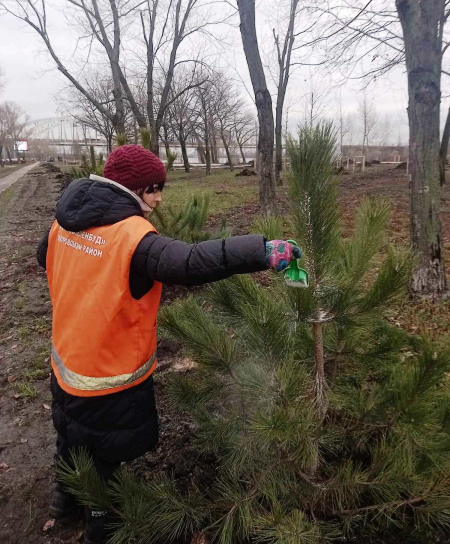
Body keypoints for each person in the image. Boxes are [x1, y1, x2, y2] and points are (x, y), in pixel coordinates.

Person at [36, 144, 300, 544]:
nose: (159, 198)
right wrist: (260, 251)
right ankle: (98, 529)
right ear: (133, 189)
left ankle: (63, 500)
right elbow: (188, 262)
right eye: (154, 188)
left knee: (70, 433)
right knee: (104, 459)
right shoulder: (133, 236)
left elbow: (46, 259)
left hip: (66, 360)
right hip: (108, 375)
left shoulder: (62, 223)